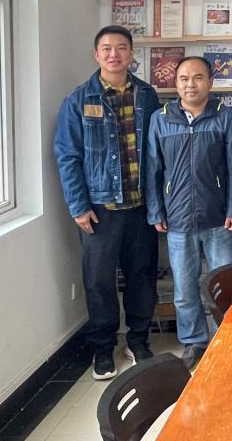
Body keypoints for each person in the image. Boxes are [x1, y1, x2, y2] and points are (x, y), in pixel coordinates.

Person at [54, 26, 161, 380]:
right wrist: (78, 205)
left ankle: (138, 340)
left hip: (141, 206)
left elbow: (158, 151)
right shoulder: (78, 100)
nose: (114, 54)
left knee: (142, 275)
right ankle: (103, 347)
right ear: (96, 54)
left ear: (131, 53)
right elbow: (67, 156)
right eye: (106, 48)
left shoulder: (147, 95)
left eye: (121, 48)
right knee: (99, 281)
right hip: (99, 209)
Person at [144, 56, 232, 370]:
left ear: (210, 82)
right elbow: (152, 170)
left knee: (225, 287)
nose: (191, 84)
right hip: (177, 220)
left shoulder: (226, 117)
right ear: (175, 83)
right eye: (184, 78)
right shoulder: (160, 119)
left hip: (219, 218)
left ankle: (224, 340)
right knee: (185, 290)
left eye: (198, 78)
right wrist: (155, 211)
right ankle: (194, 342)